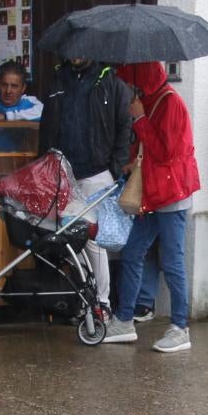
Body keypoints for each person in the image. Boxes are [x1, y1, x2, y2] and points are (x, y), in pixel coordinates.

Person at [103, 61, 198, 352]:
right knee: (132, 252)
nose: (129, 87)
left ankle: (180, 328)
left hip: (171, 195)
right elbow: (149, 151)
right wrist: (133, 161)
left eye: (133, 81)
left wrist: (141, 119)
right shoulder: (151, 100)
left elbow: (166, 152)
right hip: (155, 194)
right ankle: (124, 320)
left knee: (172, 261)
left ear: (143, 78)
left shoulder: (170, 103)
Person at [38, 56, 133, 311]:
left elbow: (125, 125)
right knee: (70, 240)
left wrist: (114, 167)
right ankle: (85, 298)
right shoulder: (59, 81)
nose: (76, 54)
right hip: (64, 173)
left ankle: (101, 302)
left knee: (93, 240)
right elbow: (46, 126)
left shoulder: (111, 83)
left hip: (96, 173)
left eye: (82, 48)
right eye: (72, 49)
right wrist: (46, 166)